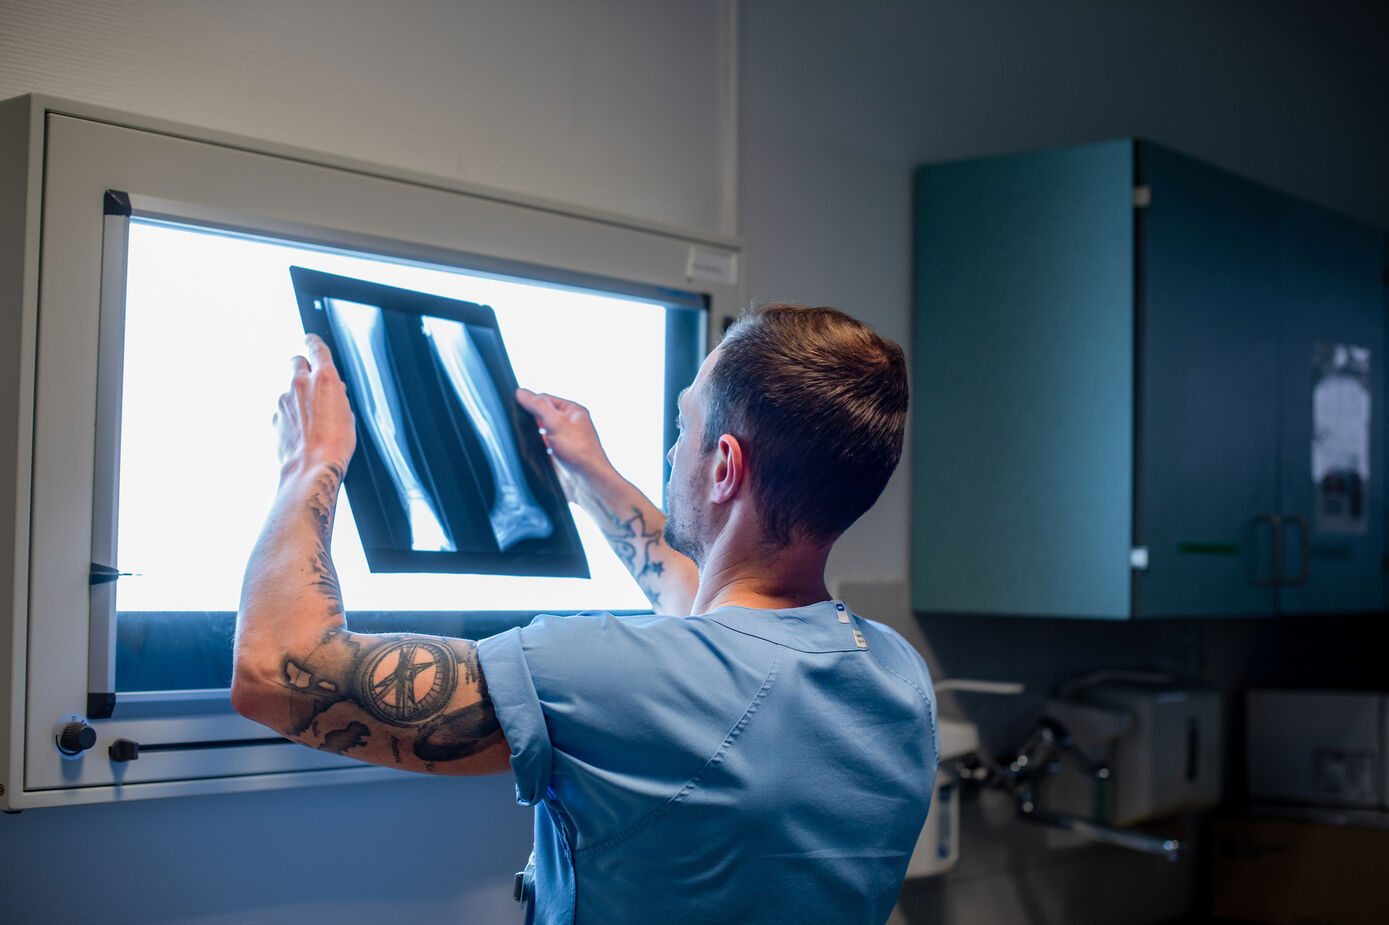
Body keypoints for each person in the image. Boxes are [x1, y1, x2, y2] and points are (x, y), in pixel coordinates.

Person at [233, 303, 940, 925]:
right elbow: (710, 620)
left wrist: (311, 464)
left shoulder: (611, 673)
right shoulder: (894, 674)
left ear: (724, 465)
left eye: (683, 423)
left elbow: (277, 671)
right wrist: (594, 476)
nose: (671, 448)